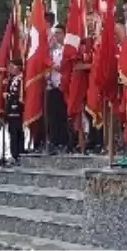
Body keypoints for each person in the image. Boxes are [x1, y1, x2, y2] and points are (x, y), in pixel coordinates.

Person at [46, 21, 69, 154]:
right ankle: (54, 140)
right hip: (52, 86)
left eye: (59, 33)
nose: (56, 36)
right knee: (52, 115)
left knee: (63, 115)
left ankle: (64, 140)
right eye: (55, 34)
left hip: (63, 86)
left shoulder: (67, 49)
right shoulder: (53, 52)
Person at [4, 59, 25, 164]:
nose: (10, 69)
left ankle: (18, 153)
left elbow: (19, 94)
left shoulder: (22, 79)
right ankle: (14, 154)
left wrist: (9, 96)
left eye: (13, 66)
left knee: (17, 132)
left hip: (18, 109)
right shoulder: (11, 79)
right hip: (11, 110)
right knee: (12, 132)